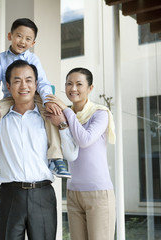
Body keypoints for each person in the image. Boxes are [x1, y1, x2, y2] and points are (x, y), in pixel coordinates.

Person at [0, 60, 78, 239]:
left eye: (28, 80)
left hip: (43, 195)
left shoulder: (50, 117)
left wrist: (63, 125)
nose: (24, 85)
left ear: (36, 85)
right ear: (9, 86)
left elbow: (72, 155)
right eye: (17, 81)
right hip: (10, 195)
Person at [0, 18, 70, 178]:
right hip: (11, 97)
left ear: (33, 43)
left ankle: (56, 159)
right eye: (19, 36)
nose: (22, 41)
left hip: (34, 96)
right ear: (10, 36)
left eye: (28, 39)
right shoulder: (1, 58)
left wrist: (47, 101)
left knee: (50, 112)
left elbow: (43, 82)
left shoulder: (33, 59)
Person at [46, 67, 116, 240]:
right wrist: (63, 116)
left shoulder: (100, 113)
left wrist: (66, 112)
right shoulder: (63, 115)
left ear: (90, 88)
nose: (73, 89)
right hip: (73, 191)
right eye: (69, 84)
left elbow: (84, 140)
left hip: (98, 193)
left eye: (79, 84)